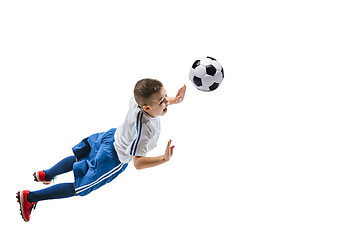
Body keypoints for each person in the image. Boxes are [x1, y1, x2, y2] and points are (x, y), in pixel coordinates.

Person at [16, 78, 186, 222]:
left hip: (109, 137)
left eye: (166, 96)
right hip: (113, 159)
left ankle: (46, 174)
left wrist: (174, 100)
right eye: (162, 101)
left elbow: (152, 99)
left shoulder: (137, 101)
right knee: (80, 188)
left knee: (79, 159)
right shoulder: (145, 131)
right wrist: (163, 158)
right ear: (147, 108)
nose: (166, 102)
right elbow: (138, 163)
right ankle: (30, 198)